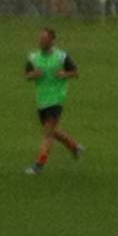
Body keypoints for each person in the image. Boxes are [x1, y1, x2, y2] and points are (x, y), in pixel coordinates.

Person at [23, 27, 83, 175]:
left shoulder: (62, 57)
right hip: (41, 99)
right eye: (40, 38)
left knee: (48, 134)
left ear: (52, 40)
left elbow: (75, 72)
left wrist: (65, 74)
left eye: (44, 39)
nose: (41, 41)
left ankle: (39, 165)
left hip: (56, 99)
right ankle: (74, 147)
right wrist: (33, 75)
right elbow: (27, 75)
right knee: (53, 131)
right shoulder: (33, 57)